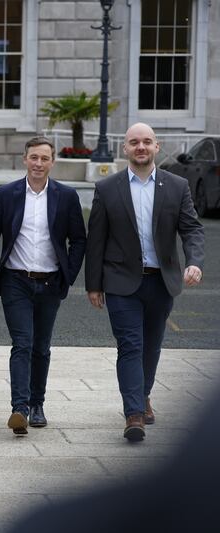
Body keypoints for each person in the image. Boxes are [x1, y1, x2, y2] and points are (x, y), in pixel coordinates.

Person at [85, 122, 204, 441]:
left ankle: (143, 395)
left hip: (161, 281)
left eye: (146, 142)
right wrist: (93, 284)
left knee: (151, 346)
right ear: (125, 148)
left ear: (156, 146)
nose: (140, 147)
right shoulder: (108, 188)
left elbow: (191, 229)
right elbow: (96, 239)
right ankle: (133, 413)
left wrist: (194, 262)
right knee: (130, 346)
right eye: (134, 142)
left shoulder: (177, 186)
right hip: (121, 283)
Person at [0, 136, 86, 435]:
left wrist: (69, 274)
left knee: (41, 346)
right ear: (24, 159)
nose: (38, 163)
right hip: (16, 280)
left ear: (52, 162)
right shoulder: (7, 194)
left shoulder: (66, 196)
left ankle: (38, 404)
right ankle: (20, 408)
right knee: (23, 343)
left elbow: (79, 239)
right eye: (33, 158)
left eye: (44, 158)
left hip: (51, 281)